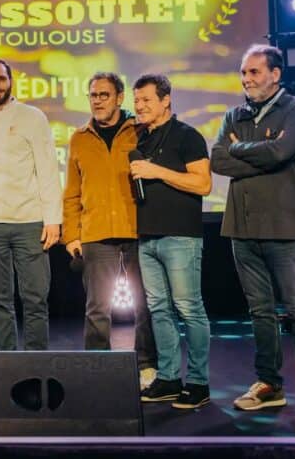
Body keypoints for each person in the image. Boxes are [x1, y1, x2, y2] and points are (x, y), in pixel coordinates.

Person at [210, 44, 295, 421]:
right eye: (243, 73)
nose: (246, 80)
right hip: (242, 229)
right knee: (260, 312)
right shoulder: (234, 114)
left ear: (275, 74)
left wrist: (242, 149)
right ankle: (268, 384)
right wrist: (262, 155)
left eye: (254, 72)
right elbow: (217, 159)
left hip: (286, 229)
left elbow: (281, 153)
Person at [62, 72, 158, 390]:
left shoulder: (140, 131)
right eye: (93, 95)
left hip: (137, 229)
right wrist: (71, 235)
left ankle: (147, 366)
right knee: (97, 308)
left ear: (119, 97)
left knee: (145, 304)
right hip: (96, 233)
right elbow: (72, 192)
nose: (98, 101)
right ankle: (98, 367)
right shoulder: (79, 138)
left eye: (104, 95)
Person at [129, 74, 213, 409]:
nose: (139, 106)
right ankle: (168, 378)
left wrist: (158, 172)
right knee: (159, 310)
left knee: (189, 308)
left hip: (180, 237)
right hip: (147, 238)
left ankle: (199, 383)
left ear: (166, 100)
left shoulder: (187, 136)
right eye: (136, 100)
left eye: (146, 100)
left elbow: (203, 184)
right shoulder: (142, 138)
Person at [0, 59, 61, 351]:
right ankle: (6, 360)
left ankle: (36, 360)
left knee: (36, 298)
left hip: (29, 221)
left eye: (1, 79)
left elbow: (47, 169)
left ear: (11, 81)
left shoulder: (33, 117)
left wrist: (53, 220)